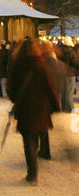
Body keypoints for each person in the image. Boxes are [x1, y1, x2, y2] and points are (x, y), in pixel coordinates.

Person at [7, 39, 60, 184]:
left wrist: (15, 98)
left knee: (28, 139)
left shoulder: (16, 65)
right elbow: (49, 86)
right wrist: (55, 104)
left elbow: (10, 88)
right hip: (41, 107)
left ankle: (32, 173)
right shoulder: (40, 63)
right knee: (36, 135)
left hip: (25, 107)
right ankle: (35, 163)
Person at [57, 37, 79, 112]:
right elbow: (75, 62)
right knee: (69, 92)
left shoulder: (60, 50)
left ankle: (64, 108)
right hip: (70, 74)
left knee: (64, 92)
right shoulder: (70, 51)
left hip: (62, 74)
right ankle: (70, 109)